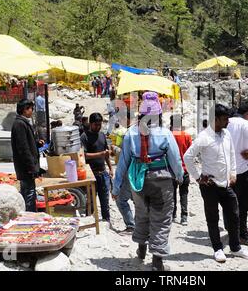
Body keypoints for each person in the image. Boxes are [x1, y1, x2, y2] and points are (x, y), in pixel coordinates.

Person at [112, 92, 183, 271]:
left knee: (141, 215)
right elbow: (175, 159)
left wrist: (116, 186)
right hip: (162, 181)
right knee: (162, 218)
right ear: (158, 115)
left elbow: (123, 162)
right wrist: (180, 176)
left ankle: (141, 252)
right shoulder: (165, 133)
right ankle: (157, 261)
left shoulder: (131, 133)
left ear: (141, 115)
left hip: (138, 181)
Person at [184, 104, 248, 263]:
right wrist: (197, 177)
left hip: (227, 183)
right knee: (213, 217)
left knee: (234, 215)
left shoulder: (227, 134)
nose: (228, 122)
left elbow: (231, 154)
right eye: (224, 119)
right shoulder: (204, 137)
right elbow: (188, 157)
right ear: (215, 119)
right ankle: (217, 249)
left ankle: (235, 247)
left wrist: (233, 173)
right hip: (210, 184)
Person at [226, 102, 248, 246]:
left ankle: (232, 229)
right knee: (244, 205)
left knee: (230, 203)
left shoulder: (226, 122)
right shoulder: (246, 123)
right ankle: (242, 234)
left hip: (228, 170)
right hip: (244, 169)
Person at [11, 99, 44, 212]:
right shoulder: (19, 124)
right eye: (30, 109)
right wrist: (32, 168)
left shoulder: (23, 123)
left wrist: (36, 144)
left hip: (27, 169)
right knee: (29, 196)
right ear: (24, 110)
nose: (32, 112)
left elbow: (27, 144)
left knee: (28, 194)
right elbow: (23, 149)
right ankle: (30, 219)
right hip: (26, 169)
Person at [81, 113, 113, 222]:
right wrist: (101, 154)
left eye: (100, 125)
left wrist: (111, 169)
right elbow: (84, 155)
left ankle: (106, 220)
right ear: (90, 124)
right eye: (96, 125)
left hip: (103, 173)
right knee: (90, 200)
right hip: (91, 174)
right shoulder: (84, 137)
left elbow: (106, 154)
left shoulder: (102, 135)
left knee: (105, 200)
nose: (98, 127)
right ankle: (89, 221)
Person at [169, 115, 192, 225]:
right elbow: (190, 153)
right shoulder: (187, 136)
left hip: (171, 170)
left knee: (172, 193)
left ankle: (173, 215)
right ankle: (184, 217)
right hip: (185, 169)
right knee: (184, 193)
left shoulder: (169, 135)